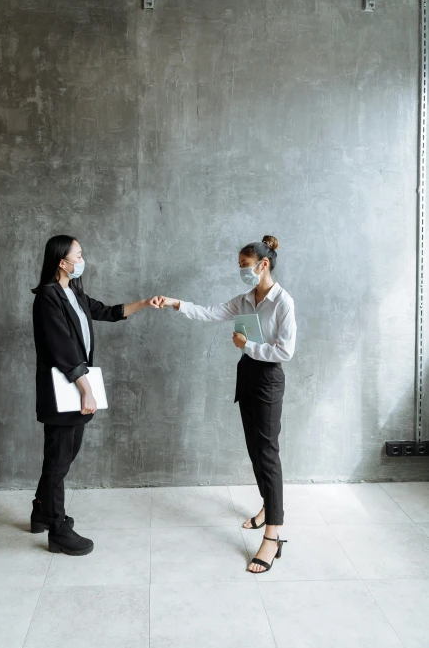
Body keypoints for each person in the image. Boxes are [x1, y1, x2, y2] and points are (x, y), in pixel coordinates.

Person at [159, 235, 296, 574]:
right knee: (254, 451)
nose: (241, 271)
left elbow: (285, 351)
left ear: (263, 265)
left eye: (244, 266)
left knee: (268, 454)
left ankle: (273, 535)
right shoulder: (246, 299)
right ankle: (268, 507)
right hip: (247, 377)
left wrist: (247, 344)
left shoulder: (283, 303)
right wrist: (176, 303)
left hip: (267, 381)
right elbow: (210, 312)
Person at [31, 234, 162, 555]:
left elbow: (107, 311)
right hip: (66, 389)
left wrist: (143, 303)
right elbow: (61, 349)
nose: (82, 259)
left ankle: (42, 511)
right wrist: (86, 391)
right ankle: (58, 530)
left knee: (61, 455)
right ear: (62, 262)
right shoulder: (48, 298)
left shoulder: (72, 292)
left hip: (76, 386)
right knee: (60, 459)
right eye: (78, 255)